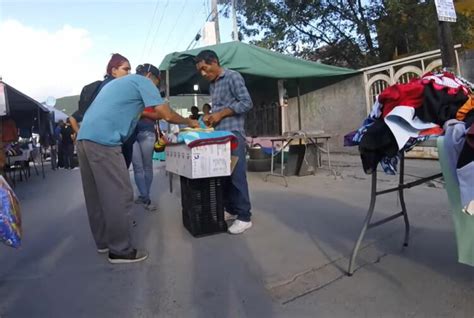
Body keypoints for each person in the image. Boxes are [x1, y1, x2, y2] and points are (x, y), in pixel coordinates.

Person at [77, 63, 199, 264]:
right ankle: (120, 250)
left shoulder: (118, 84)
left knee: (95, 196)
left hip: (84, 138)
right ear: (151, 76)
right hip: (104, 141)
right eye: (157, 84)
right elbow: (166, 114)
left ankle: (103, 243)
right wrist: (189, 121)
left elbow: (150, 113)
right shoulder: (143, 81)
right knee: (120, 194)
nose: (156, 90)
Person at [195, 50, 254, 234]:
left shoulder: (233, 77)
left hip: (234, 134)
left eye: (205, 68)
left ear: (214, 62)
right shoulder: (213, 85)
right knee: (224, 175)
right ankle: (230, 209)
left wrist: (221, 113)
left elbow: (246, 103)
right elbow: (218, 108)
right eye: (200, 71)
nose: (203, 74)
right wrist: (211, 117)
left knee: (237, 176)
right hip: (219, 135)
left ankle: (245, 216)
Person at [69, 53, 135, 167]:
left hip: (89, 143)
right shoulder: (114, 88)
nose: (129, 73)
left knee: (98, 183)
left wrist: (80, 134)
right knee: (115, 183)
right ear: (114, 70)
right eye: (126, 69)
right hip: (107, 146)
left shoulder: (100, 88)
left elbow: (73, 117)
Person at [131, 64, 163, 211]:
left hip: (146, 131)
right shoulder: (134, 88)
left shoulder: (151, 92)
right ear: (151, 76)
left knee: (145, 166)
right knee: (139, 167)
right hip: (132, 133)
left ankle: (145, 196)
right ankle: (145, 196)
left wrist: (141, 113)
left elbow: (159, 114)